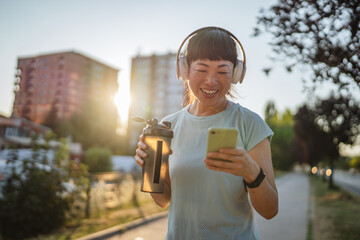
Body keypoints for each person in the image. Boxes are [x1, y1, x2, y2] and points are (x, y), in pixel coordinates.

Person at [134, 26, 278, 240]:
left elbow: (270, 210)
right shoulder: (167, 126)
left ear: (236, 74)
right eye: (201, 70)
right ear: (184, 70)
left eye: (222, 71)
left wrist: (251, 171)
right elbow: (163, 200)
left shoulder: (250, 123)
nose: (211, 81)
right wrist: (150, 169)